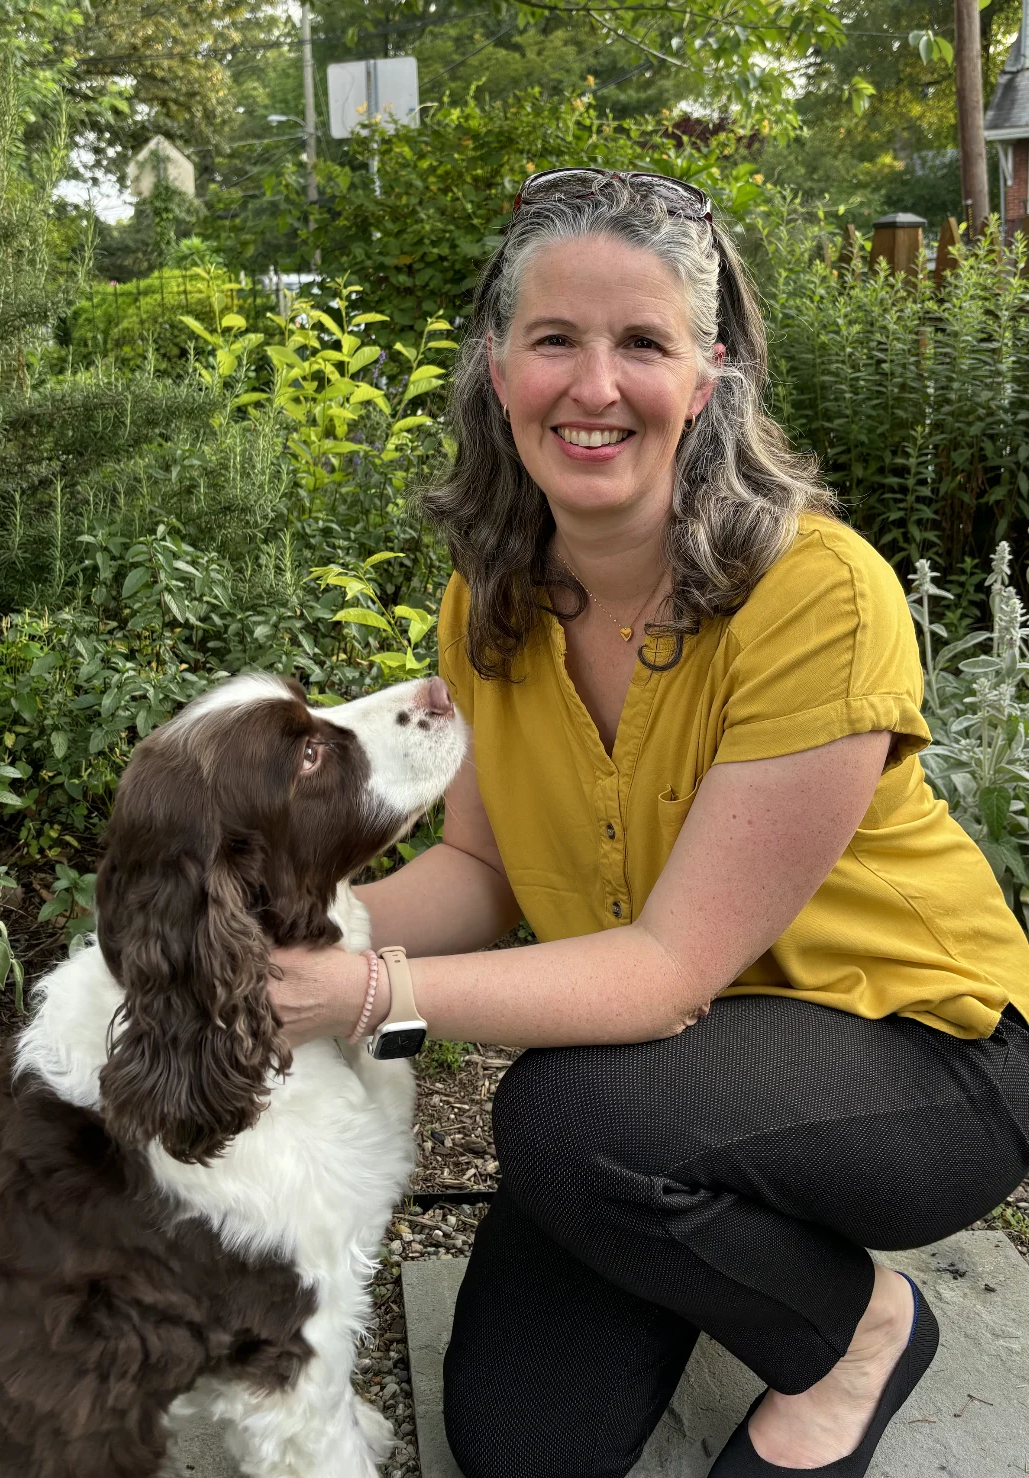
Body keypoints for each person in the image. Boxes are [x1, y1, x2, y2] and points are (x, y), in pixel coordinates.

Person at [269, 171, 1029, 1478]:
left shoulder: (814, 594)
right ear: (496, 361)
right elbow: (478, 870)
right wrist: (271, 935)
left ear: (710, 370)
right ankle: (716, 1244)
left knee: (566, 1121)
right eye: (554, 338)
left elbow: (670, 972)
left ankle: (855, 1328)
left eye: (641, 343)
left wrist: (356, 989)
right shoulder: (486, 599)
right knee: (520, 1445)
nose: (593, 385)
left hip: (915, 1057)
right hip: (662, 1082)